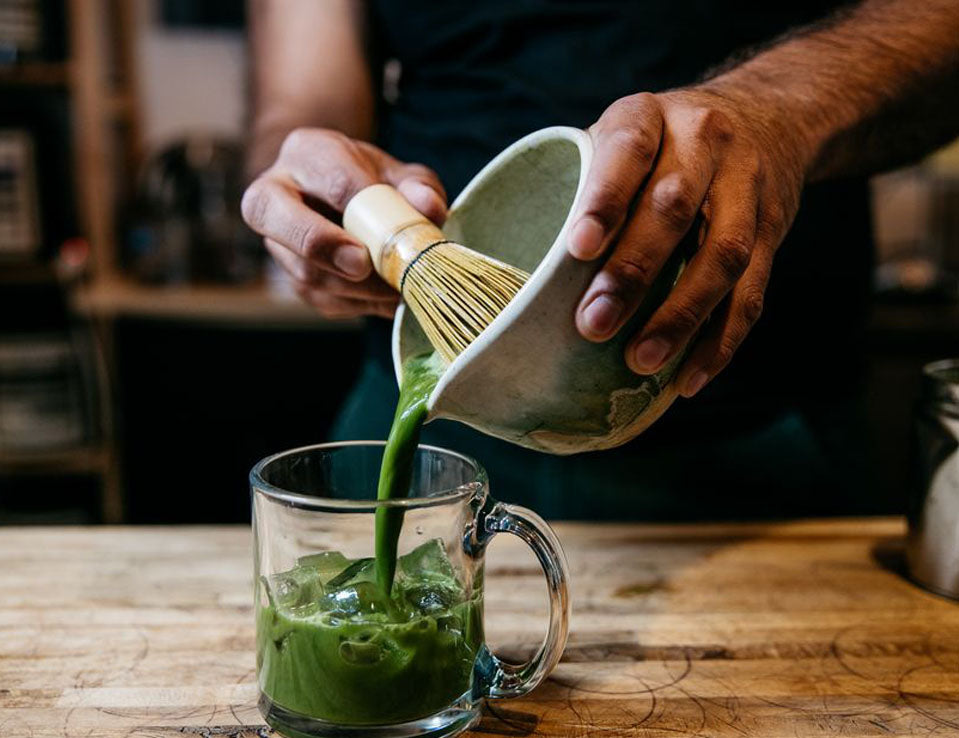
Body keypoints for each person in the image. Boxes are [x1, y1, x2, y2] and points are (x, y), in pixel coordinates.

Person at [241, 0, 959, 520]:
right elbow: (303, 96)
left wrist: (778, 112)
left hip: (762, 436)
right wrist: (307, 176)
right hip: (433, 414)